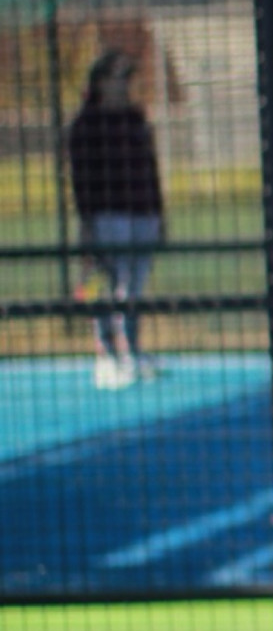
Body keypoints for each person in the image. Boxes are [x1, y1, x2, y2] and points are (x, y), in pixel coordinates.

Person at [68, 49, 166, 390]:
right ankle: (109, 353)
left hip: (141, 212)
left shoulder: (135, 118)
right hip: (108, 214)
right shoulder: (86, 124)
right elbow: (81, 180)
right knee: (109, 285)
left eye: (128, 78)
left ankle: (133, 350)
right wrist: (87, 222)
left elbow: (150, 167)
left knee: (134, 287)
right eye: (118, 78)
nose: (125, 85)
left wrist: (158, 212)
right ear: (100, 82)